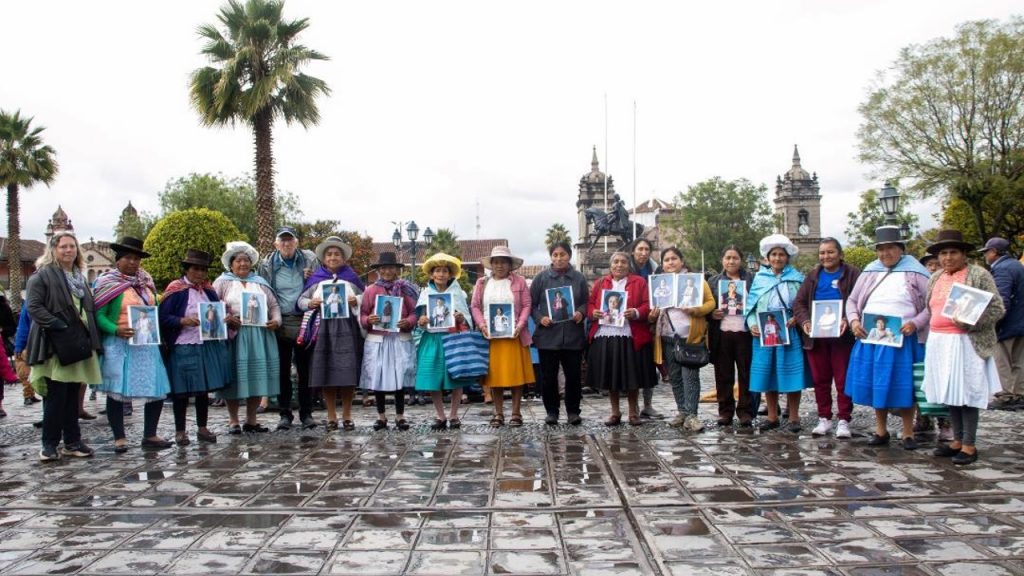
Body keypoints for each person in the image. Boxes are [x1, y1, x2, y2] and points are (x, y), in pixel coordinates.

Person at [923, 230, 1005, 465]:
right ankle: (956, 440)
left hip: (966, 341)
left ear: (964, 254)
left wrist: (972, 320)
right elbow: (931, 307)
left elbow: (997, 308)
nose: (948, 258)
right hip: (940, 340)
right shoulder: (936, 277)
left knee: (968, 392)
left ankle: (969, 444)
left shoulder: (978, 275)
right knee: (951, 392)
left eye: (953, 252)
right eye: (943, 253)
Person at [846, 226, 931, 450]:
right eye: (881, 250)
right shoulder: (870, 272)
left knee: (905, 385)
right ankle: (881, 429)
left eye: (890, 248)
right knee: (878, 383)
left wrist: (915, 323)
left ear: (900, 249)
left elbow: (932, 305)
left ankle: (907, 431)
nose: (885, 254)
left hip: (903, 339)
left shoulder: (917, 272)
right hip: (873, 339)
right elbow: (852, 301)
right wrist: (854, 321)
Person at [26, 231, 102, 461]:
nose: (69, 250)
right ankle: (49, 444)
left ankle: (72, 441)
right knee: (56, 396)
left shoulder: (79, 278)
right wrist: (59, 325)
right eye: (63, 247)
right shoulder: (42, 276)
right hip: (55, 343)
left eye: (72, 246)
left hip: (78, 342)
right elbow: (34, 307)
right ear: (54, 250)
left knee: (72, 395)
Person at [93, 237, 172, 452]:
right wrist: (115, 329)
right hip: (119, 343)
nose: (133, 262)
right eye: (128, 258)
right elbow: (99, 315)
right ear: (118, 260)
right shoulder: (106, 283)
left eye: (136, 258)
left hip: (146, 343)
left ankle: (150, 435)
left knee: (155, 386)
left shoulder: (146, 282)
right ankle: (119, 437)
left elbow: (153, 308)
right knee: (117, 390)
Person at [158, 249, 229, 445]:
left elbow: (218, 313)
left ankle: (202, 427)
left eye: (203, 270)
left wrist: (225, 318)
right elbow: (162, 317)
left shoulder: (208, 291)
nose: (199, 273)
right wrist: (182, 320)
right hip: (183, 345)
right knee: (181, 390)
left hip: (205, 345)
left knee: (202, 390)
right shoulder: (176, 290)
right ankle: (180, 430)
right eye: (195, 269)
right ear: (187, 269)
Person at [793, 237, 861, 438]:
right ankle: (824, 417)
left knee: (842, 379)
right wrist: (805, 321)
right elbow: (799, 303)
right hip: (817, 337)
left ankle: (843, 419)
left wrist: (848, 319)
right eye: (822, 253)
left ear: (840, 254)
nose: (826, 256)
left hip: (842, 337)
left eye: (830, 252)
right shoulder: (813, 276)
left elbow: (860, 301)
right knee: (820, 379)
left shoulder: (852, 274)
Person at [257, 226, 321, 432]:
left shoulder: (309, 260)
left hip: (305, 320)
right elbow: (262, 291)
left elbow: (319, 285)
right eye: (282, 241)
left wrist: (310, 278)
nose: (286, 244)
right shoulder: (267, 264)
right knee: (282, 370)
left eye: (290, 240)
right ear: (276, 244)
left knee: (305, 370)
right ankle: (285, 413)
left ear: (296, 243)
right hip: (280, 321)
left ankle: (306, 413)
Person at [214, 241, 282, 434]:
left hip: (260, 336)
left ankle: (251, 419)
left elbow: (274, 305)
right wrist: (226, 318)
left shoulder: (260, 283)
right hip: (234, 336)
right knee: (235, 377)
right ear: (231, 263)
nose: (243, 264)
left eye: (246, 260)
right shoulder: (222, 283)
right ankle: (233, 420)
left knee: (256, 377)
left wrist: (276, 321)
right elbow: (211, 306)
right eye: (238, 261)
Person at [298, 236, 364, 431]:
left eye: (337, 254)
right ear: (324, 258)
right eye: (329, 254)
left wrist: (356, 301)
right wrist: (311, 303)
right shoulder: (316, 278)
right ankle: (331, 416)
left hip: (347, 329)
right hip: (324, 330)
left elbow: (366, 297)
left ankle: (347, 415)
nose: (333, 257)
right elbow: (300, 301)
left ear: (343, 258)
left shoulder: (352, 277)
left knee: (347, 372)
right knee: (326, 372)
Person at [745, 234, 809, 433]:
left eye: (781, 255)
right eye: (774, 255)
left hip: (790, 332)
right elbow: (751, 307)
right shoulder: (760, 279)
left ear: (787, 257)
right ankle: (772, 416)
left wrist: (797, 318)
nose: (777, 258)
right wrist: (753, 323)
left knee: (792, 374)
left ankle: (794, 416)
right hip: (766, 334)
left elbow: (803, 304)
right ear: (767, 257)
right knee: (768, 374)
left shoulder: (797, 279)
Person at [587, 251, 654, 426]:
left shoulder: (639, 282)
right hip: (606, 334)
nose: (619, 265)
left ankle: (633, 412)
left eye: (623, 262)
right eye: (615, 262)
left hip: (630, 334)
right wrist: (593, 312)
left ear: (628, 264)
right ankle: (615, 412)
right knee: (611, 375)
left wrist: (636, 312)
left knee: (632, 375)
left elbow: (648, 304)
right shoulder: (600, 283)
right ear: (610, 265)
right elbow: (591, 303)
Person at [649, 247, 713, 431]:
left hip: (690, 337)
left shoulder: (696, 280)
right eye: (666, 259)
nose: (670, 262)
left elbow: (711, 302)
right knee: (675, 377)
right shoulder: (658, 283)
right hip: (667, 337)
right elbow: (652, 310)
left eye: (674, 258)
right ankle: (682, 411)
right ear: (662, 264)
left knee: (690, 377)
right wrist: (652, 316)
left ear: (682, 261)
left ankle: (692, 415)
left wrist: (696, 310)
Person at [471, 245, 535, 427]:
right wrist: (482, 325)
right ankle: (498, 413)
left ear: (510, 265)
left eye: (503, 262)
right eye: (496, 262)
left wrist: (520, 325)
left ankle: (516, 413)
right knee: (495, 377)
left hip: (514, 335)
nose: (499, 265)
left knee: (516, 376)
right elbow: (475, 306)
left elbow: (527, 305)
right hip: (491, 338)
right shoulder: (482, 283)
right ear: (491, 264)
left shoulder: (519, 282)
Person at [529, 242, 588, 426]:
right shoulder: (541, 278)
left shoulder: (578, 278)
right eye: (555, 255)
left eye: (563, 254)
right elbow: (530, 305)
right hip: (548, 336)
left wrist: (581, 312)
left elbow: (587, 302)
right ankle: (552, 412)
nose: (559, 258)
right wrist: (540, 318)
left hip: (572, 335)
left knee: (573, 376)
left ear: (569, 256)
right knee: (549, 377)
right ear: (551, 257)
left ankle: (573, 411)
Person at [415, 253, 473, 430]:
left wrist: (461, 318)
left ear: (450, 274)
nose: (441, 274)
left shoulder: (458, 294)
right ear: (432, 275)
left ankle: (454, 414)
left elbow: (467, 319)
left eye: (445, 271)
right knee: (433, 378)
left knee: (455, 377)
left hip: (453, 338)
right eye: (437, 271)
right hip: (432, 339)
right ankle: (440, 415)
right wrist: (422, 321)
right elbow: (420, 321)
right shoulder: (425, 294)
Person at [361, 251, 418, 430]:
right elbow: (362, 313)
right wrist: (368, 320)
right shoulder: (370, 290)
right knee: (378, 377)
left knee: (398, 375)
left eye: (390, 268)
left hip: (399, 338)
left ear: (396, 270)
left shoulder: (405, 289)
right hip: (378, 340)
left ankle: (400, 416)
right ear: (379, 270)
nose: (387, 271)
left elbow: (416, 312)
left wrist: (408, 321)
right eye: (384, 268)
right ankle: (381, 416)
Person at [708, 246, 757, 427]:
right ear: (722, 260)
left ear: (741, 260)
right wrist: (712, 313)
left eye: (735, 258)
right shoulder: (713, 282)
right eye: (728, 258)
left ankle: (745, 411)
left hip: (745, 333)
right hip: (722, 333)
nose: (731, 261)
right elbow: (706, 306)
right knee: (723, 375)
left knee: (746, 374)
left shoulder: (751, 280)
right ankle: (725, 411)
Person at [982, 237, 1024, 411]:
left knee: (1003, 360)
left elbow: (1001, 300)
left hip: (1008, 323)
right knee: (1020, 361)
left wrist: (994, 323)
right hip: (1020, 321)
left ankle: (1006, 395)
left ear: (994, 252)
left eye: (986, 252)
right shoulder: (1017, 266)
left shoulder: (1001, 269)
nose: (985, 255)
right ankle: (1020, 393)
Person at [628, 238, 664, 419]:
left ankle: (648, 404)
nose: (643, 252)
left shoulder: (655, 270)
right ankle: (632, 406)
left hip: (651, 319)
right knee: (632, 365)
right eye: (640, 249)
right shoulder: (626, 268)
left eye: (647, 249)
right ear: (633, 251)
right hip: (632, 321)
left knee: (650, 365)